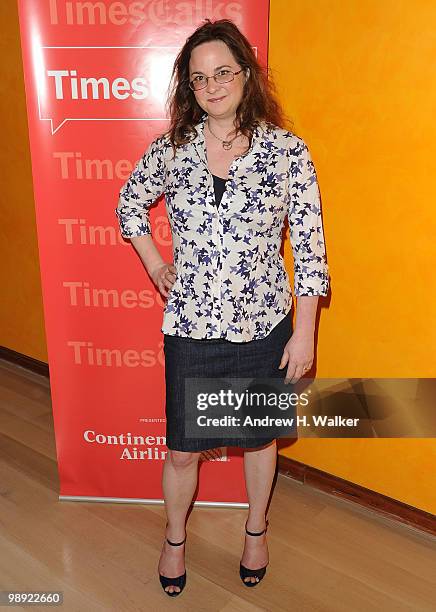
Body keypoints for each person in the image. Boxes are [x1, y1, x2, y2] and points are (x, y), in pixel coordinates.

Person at [115, 18, 329, 597]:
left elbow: (309, 249)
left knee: (258, 439)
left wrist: (303, 331)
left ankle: (256, 529)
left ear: (247, 75)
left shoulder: (288, 153)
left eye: (223, 73)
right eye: (199, 78)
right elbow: (130, 205)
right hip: (191, 326)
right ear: (189, 87)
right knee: (184, 451)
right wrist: (157, 263)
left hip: (265, 325)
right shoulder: (173, 150)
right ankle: (175, 538)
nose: (212, 86)